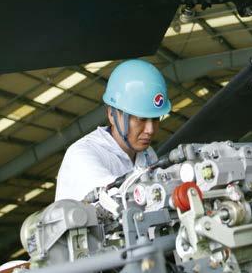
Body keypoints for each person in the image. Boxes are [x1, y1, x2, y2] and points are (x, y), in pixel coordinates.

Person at [55, 59, 171, 201]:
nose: (150, 130)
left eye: (155, 119)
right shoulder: (83, 154)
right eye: (141, 119)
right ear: (111, 114)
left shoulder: (147, 154)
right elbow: (116, 198)